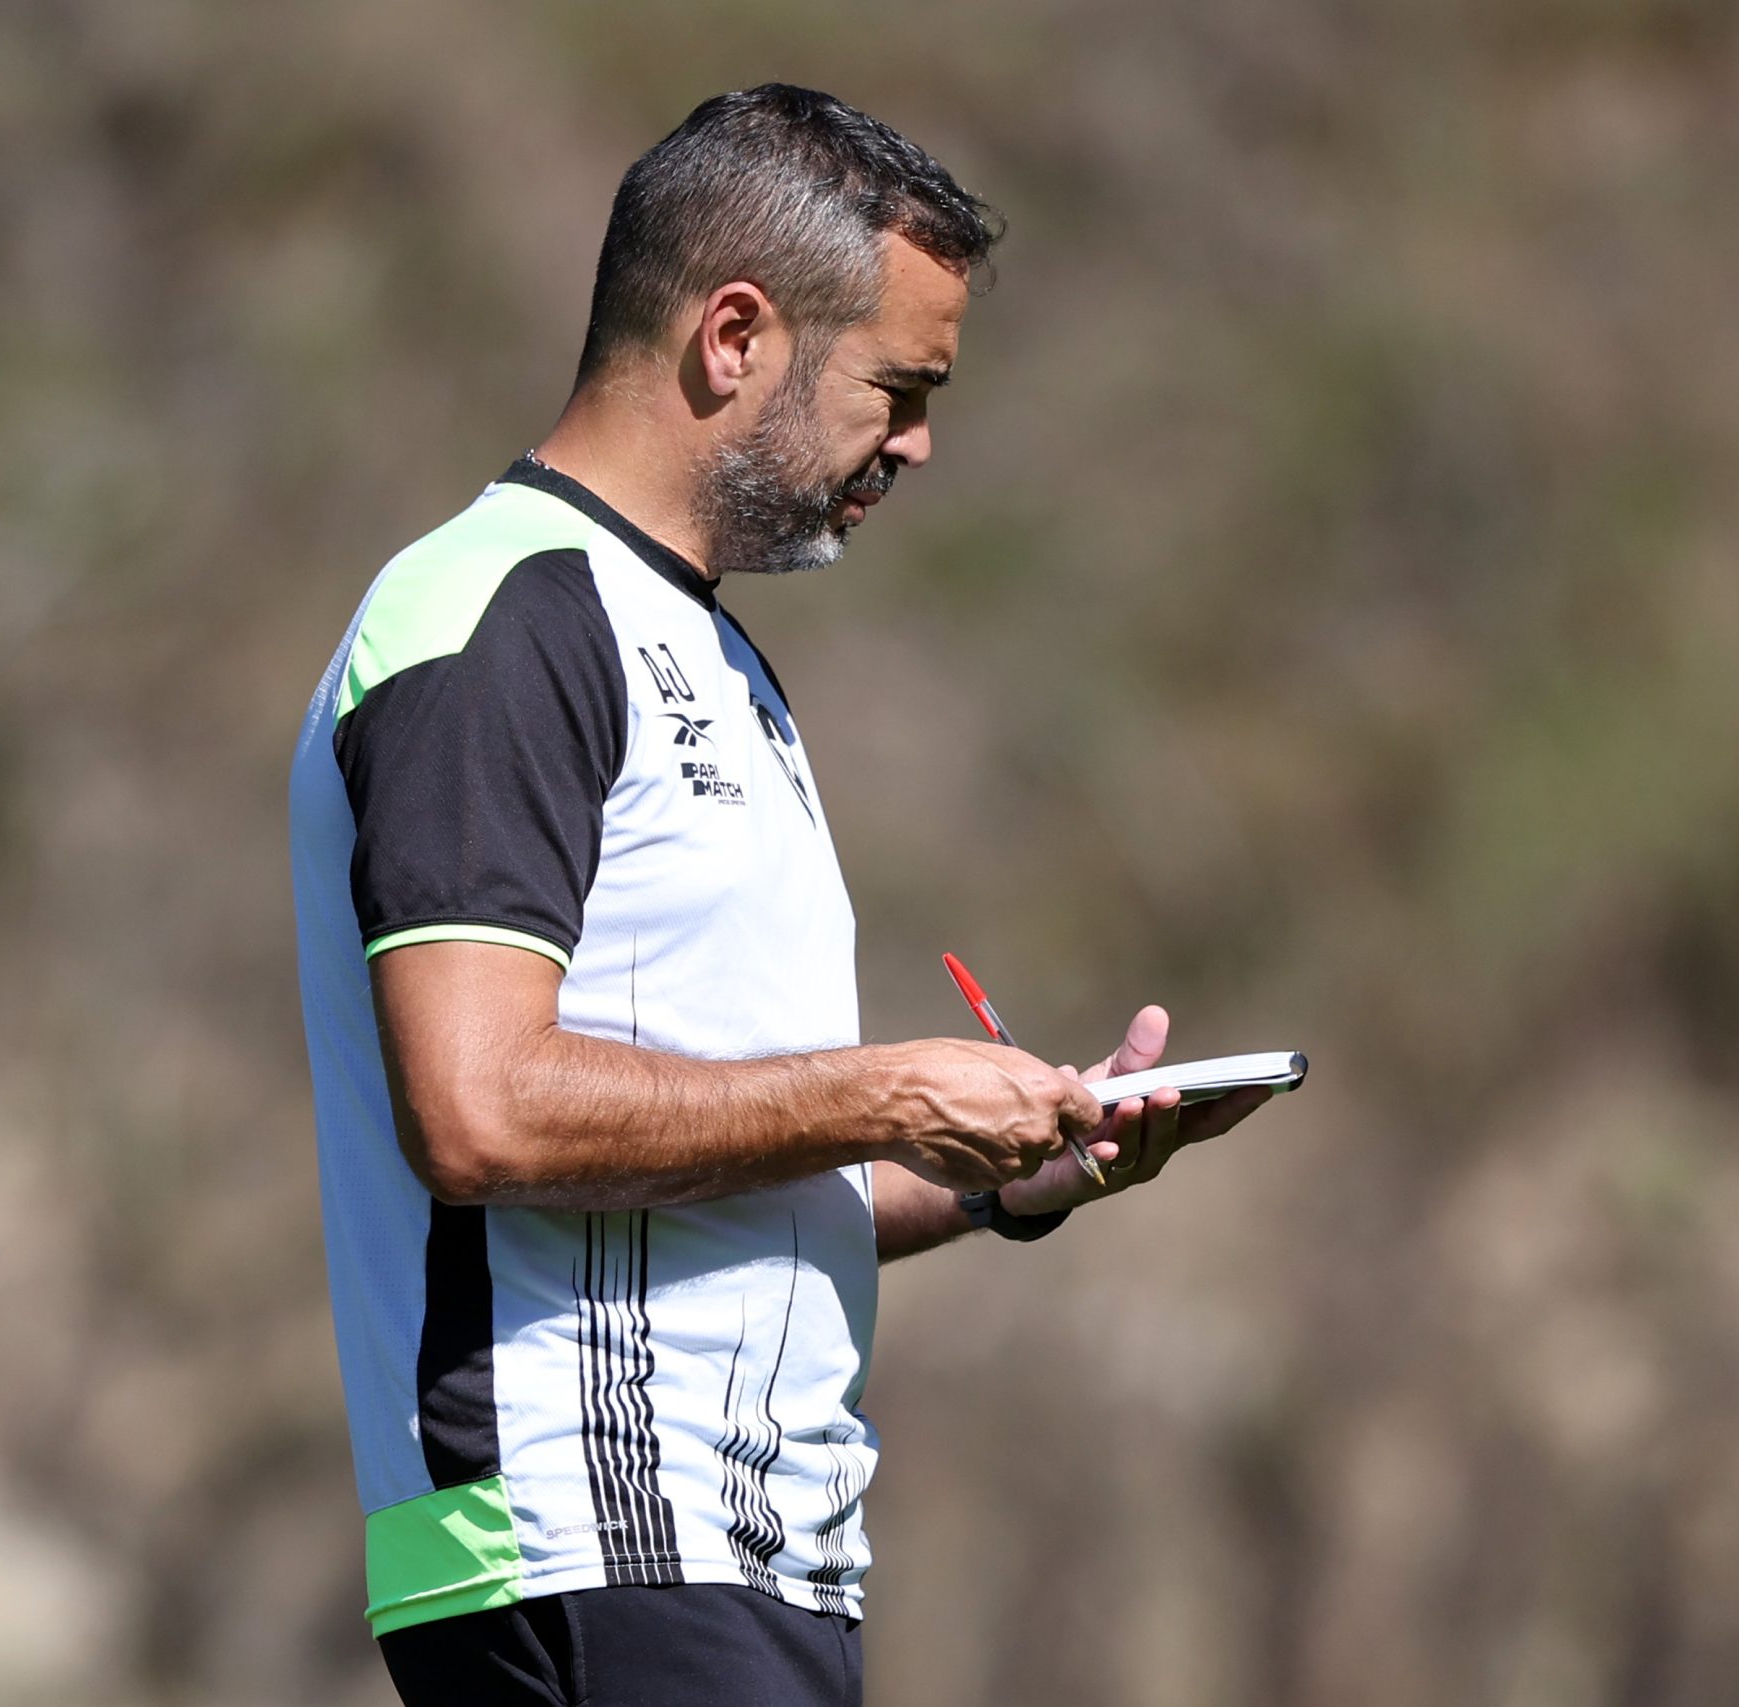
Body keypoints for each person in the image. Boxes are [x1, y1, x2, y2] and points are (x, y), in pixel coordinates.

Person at [287, 84, 1276, 1707]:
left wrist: (1013, 1170)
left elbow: (742, 1165)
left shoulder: (717, 656)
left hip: (743, 1553)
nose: (922, 442)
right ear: (735, 335)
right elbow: (475, 1110)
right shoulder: (499, 614)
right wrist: (886, 1085)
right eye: (899, 386)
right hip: (591, 1541)